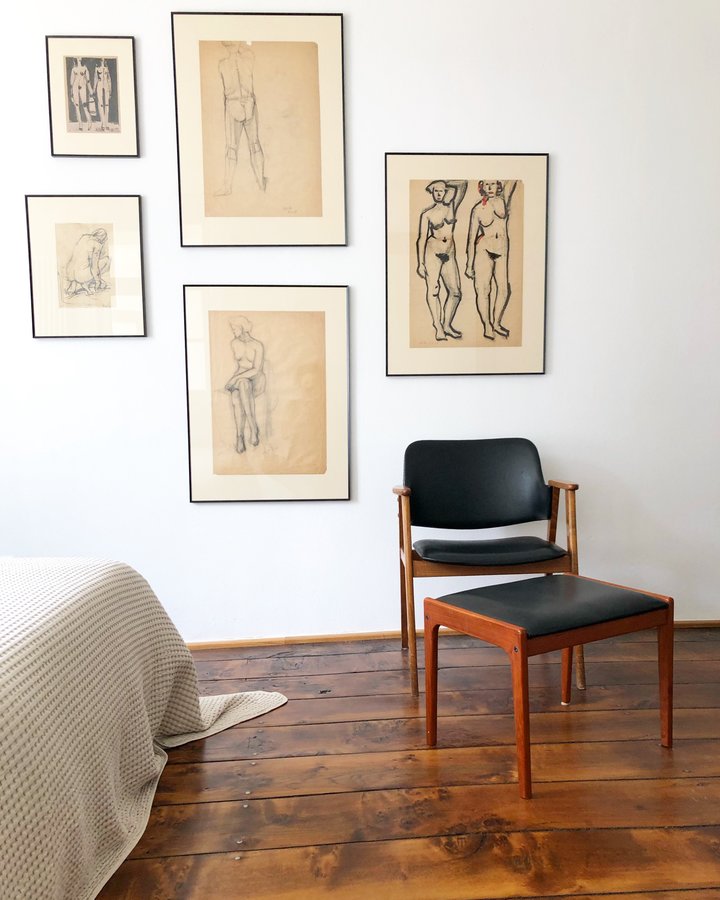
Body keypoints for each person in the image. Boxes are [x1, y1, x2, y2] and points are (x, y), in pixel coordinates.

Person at [465, 179, 517, 340]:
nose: (490, 187)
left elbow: (513, 179)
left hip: (502, 251)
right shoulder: (477, 209)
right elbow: (471, 238)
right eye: (486, 184)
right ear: (481, 187)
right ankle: (487, 325)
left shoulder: (504, 200)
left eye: (493, 184)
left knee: (504, 289)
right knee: (483, 290)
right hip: (484, 251)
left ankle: (496, 322)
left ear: (498, 186)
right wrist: (469, 264)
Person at [416, 180, 468, 341]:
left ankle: (447, 325)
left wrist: (445, 182)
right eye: (436, 191)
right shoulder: (427, 214)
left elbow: (463, 184)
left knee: (456, 292)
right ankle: (437, 326)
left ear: (446, 191)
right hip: (432, 253)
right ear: (432, 193)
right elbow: (421, 239)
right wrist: (420, 263)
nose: (439, 194)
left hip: (449, 253)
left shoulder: (452, 206)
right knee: (434, 289)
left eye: (442, 190)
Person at [215, 42, 267, 196]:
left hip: (241, 104)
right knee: (244, 146)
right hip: (240, 104)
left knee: (244, 146)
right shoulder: (244, 59)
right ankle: (254, 184)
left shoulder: (228, 63)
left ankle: (258, 182)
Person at [225, 316, 266, 453]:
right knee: (237, 393)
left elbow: (256, 370)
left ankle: (249, 430)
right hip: (240, 380)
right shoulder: (234, 343)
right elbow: (233, 366)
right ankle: (242, 434)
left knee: (242, 383)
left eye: (234, 328)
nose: (233, 331)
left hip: (256, 380)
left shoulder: (257, 345)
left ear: (242, 328)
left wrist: (235, 378)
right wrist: (236, 378)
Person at [64, 228, 110, 298]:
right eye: (104, 238)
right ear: (102, 237)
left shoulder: (84, 237)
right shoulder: (97, 245)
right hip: (80, 276)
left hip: (70, 272)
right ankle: (88, 282)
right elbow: (94, 266)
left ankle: (74, 287)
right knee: (106, 260)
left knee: (80, 263)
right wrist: (97, 281)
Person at [70, 58, 93, 131]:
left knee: (84, 105)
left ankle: (89, 122)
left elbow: (88, 80)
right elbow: (71, 82)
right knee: (77, 106)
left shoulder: (85, 68)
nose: (79, 57)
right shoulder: (74, 69)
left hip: (83, 87)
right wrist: (71, 93)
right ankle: (80, 124)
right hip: (75, 87)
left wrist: (91, 91)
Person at [93, 58, 112, 132]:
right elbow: (95, 79)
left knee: (107, 104)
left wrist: (110, 89)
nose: (102, 60)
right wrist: (94, 90)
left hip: (106, 85)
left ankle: (106, 123)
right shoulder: (97, 68)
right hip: (99, 85)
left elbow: (109, 79)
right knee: (100, 104)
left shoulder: (107, 68)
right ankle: (103, 123)